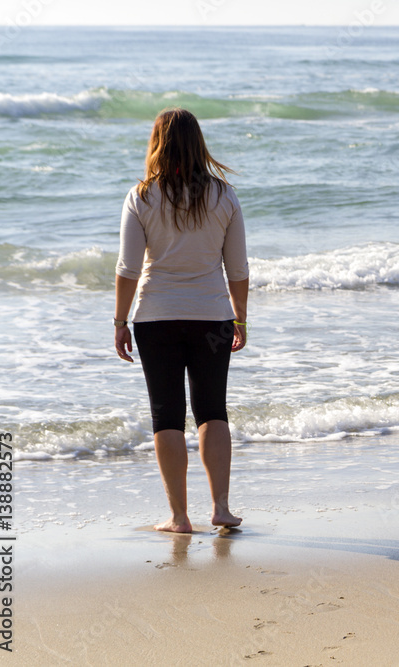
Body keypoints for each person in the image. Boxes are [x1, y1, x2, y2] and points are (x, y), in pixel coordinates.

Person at [113, 108, 249, 534]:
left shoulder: (141, 196)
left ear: (157, 143)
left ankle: (179, 517)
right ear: (198, 143)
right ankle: (221, 508)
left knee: (167, 415)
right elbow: (238, 269)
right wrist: (241, 318)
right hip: (213, 317)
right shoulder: (224, 195)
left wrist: (119, 322)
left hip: (156, 319)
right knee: (213, 410)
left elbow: (127, 269)